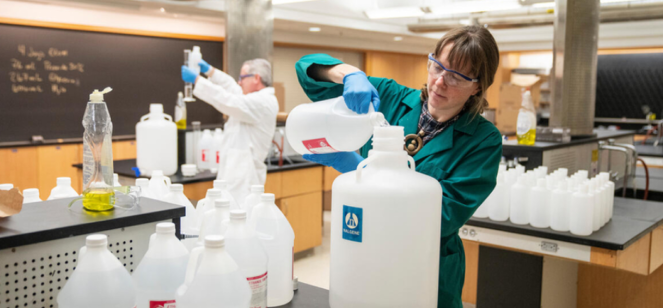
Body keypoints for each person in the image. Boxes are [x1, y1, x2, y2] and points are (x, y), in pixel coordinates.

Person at [297, 25, 502, 308]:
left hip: (425, 262)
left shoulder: (483, 140)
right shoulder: (389, 97)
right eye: (437, 66)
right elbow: (306, 70)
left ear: (477, 85)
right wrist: (350, 75)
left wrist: (361, 172)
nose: (440, 82)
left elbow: (442, 216)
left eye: (455, 76)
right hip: (367, 247)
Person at [182, 58, 278, 209]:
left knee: (239, 224)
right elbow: (231, 87)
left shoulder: (263, 102)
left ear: (256, 78)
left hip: (245, 181)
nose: (239, 82)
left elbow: (228, 100)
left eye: (242, 78)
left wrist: (198, 80)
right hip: (235, 176)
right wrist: (210, 71)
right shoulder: (251, 98)